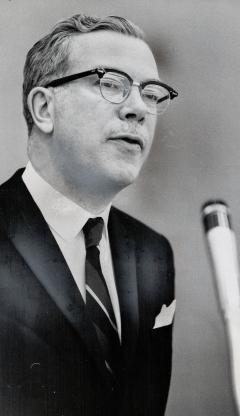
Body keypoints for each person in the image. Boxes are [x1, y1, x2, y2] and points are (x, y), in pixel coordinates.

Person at [0, 13, 178, 416]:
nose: (139, 110)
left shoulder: (153, 253)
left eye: (152, 94)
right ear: (44, 108)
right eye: (111, 84)